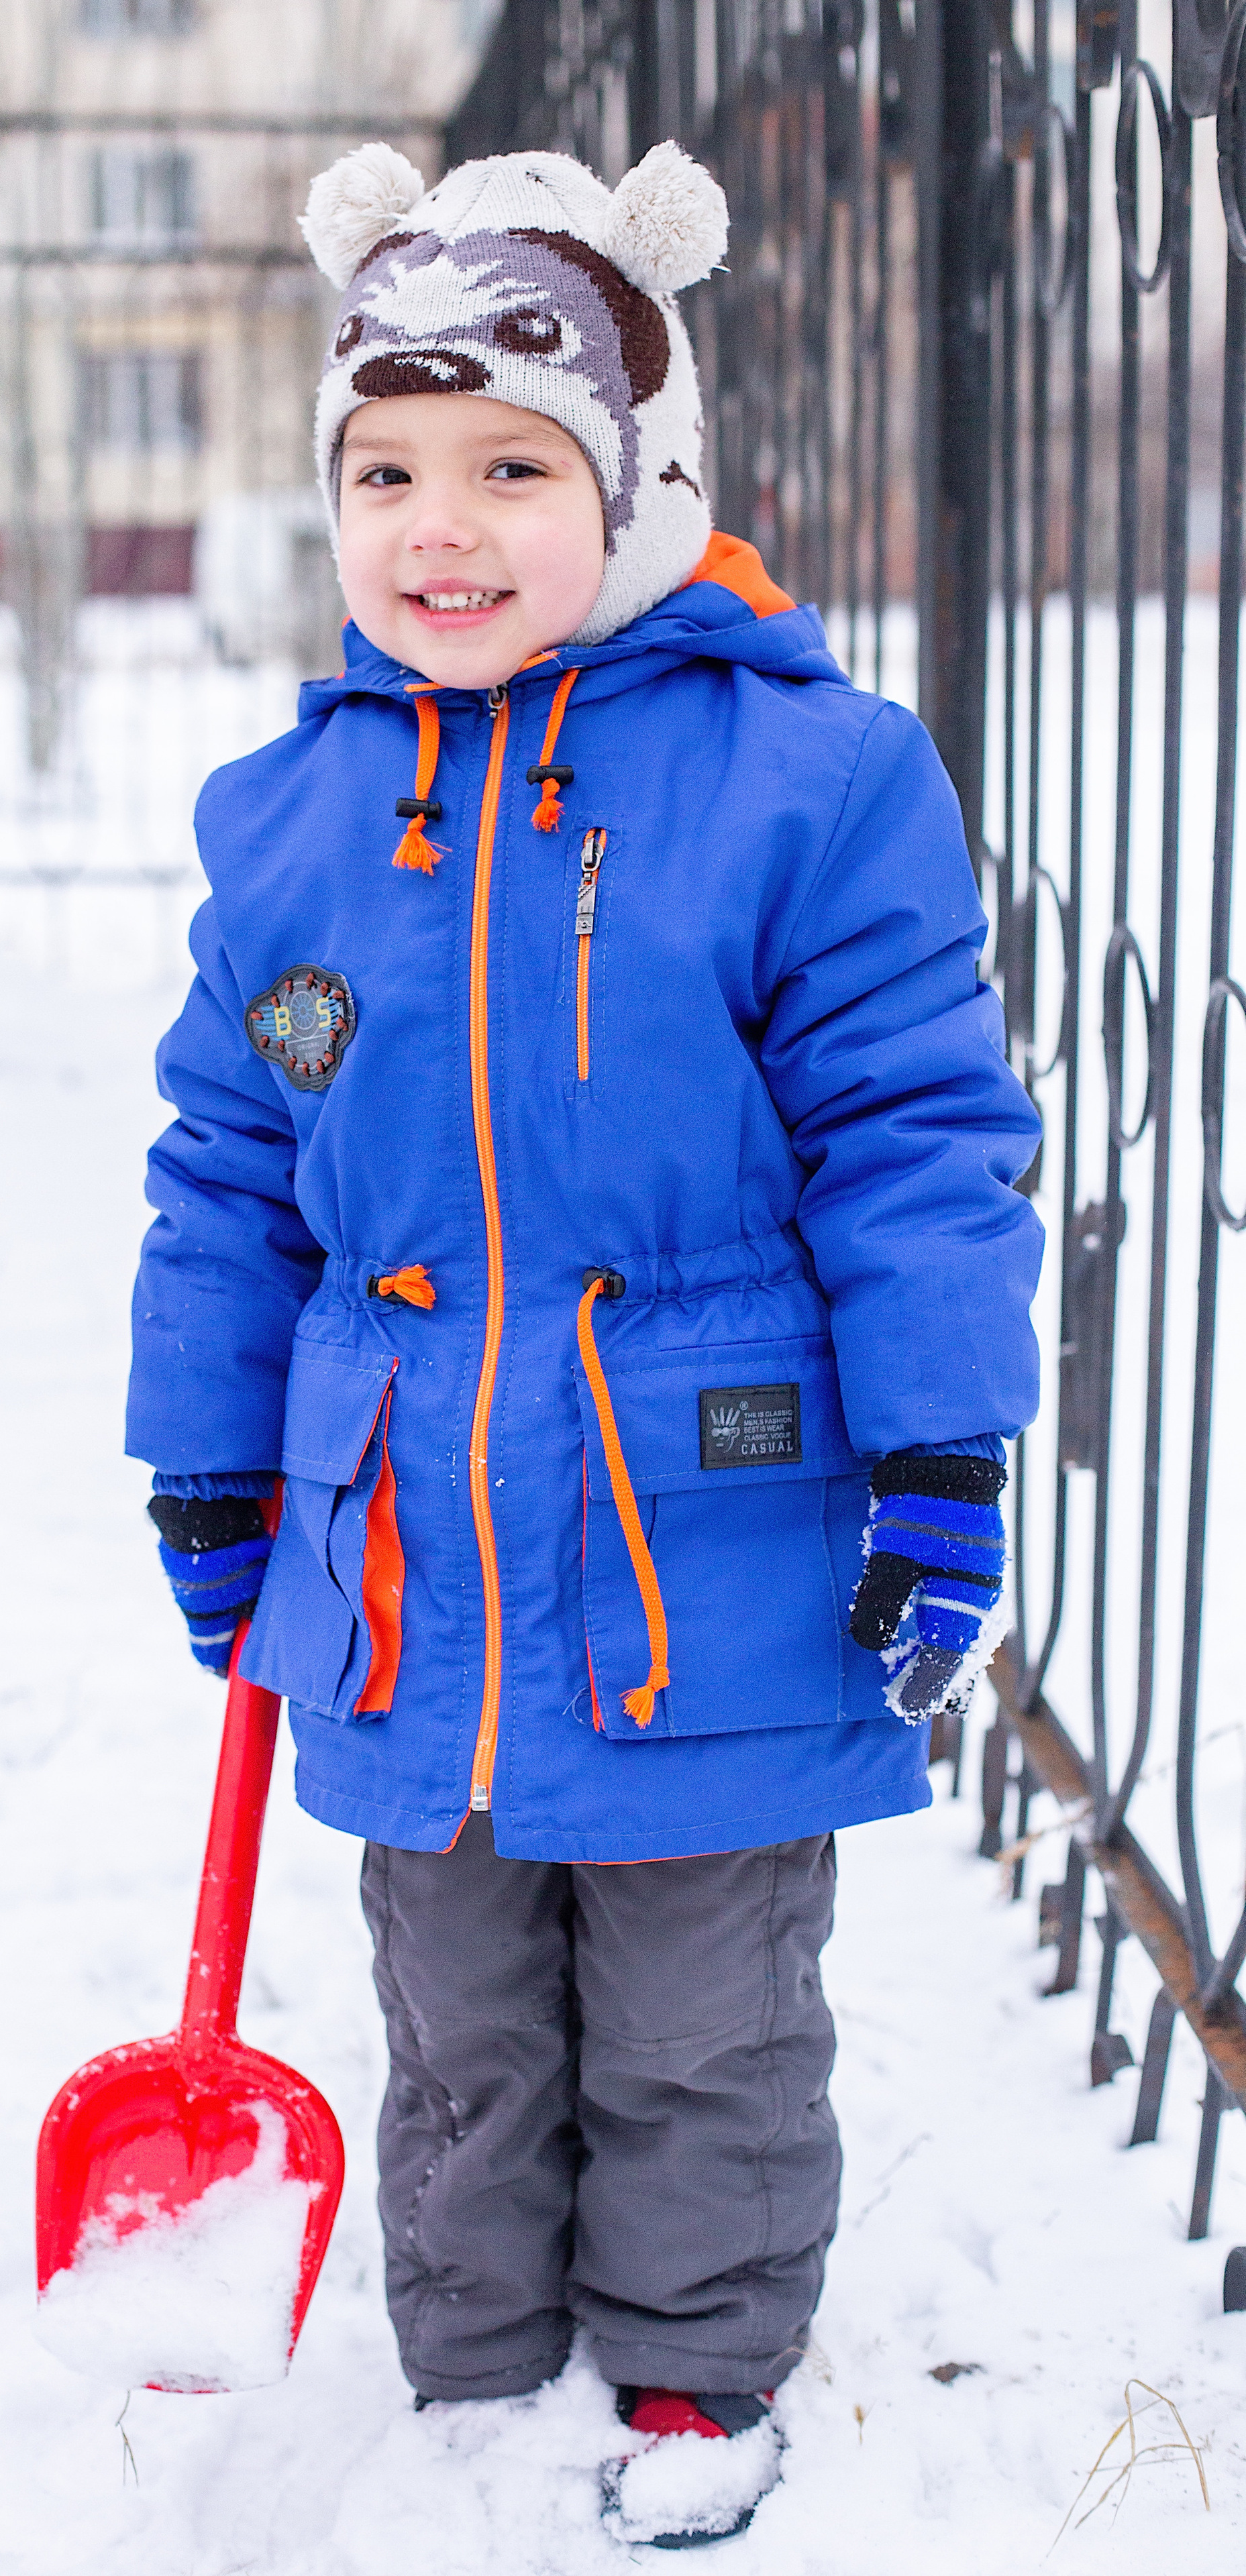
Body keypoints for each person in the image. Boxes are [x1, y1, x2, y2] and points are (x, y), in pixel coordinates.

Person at [126, 141, 1041, 2551]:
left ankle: (692, 2370)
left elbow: (919, 1141)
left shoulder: (814, 784)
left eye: (515, 469)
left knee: (702, 2013)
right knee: (454, 2002)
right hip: (401, 1539)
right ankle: (474, 2363)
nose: (443, 526)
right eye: (386, 472)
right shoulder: (296, 816)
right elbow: (226, 1180)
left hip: (703, 1537)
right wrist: (210, 1468)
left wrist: (944, 1457)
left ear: (643, 490)